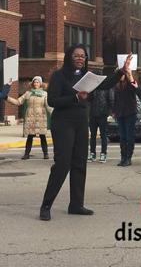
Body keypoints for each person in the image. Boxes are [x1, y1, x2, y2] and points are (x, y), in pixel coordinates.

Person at [40, 45, 130, 221]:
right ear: (69, 57)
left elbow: (105, 84)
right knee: (62, 164)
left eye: (83, 56)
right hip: (63, 122)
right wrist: (75, 97)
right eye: (77, 56)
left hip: (81, 122)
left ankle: (76, 204)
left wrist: (121, 71)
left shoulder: (87, 76)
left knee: (80, 163)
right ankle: (46, 205)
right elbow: (52, 101)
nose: (80, 58)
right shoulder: (59, 75)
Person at [6, 76, 53, 160]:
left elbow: (48, 106)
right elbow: (18, 102)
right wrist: (7, 98)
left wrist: (55, 113)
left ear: (40, 84)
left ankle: (45, 154)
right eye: (34, 82)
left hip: (40, 118)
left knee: (42, 136)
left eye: (37, 82)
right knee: (30, 137)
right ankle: (26, 154)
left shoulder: (44, 94)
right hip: (30, 118)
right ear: (32, 83)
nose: (36, 84)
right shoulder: (28, 93)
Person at [112, 60, 139, 167]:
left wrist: (129, 73)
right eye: (120, 73)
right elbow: (115, 100)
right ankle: (123, 157)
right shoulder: (116, 86)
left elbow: (135, 88)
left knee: (129, 136)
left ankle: (128, 157)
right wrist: (114, 111)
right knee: (122, 137)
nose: (121, 76)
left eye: (123, 74)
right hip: (120, 113)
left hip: (130, 113)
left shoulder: (130, 84)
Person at [87, 88, 114, 163]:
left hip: (103, 114)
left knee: (103, 135)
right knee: (93, 135)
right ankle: (92, 153)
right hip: (92, 114)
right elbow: (88, 99)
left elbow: (111, 99)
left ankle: (103, 153)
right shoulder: (92, 87)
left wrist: (110, 112)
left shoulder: (106, 87)